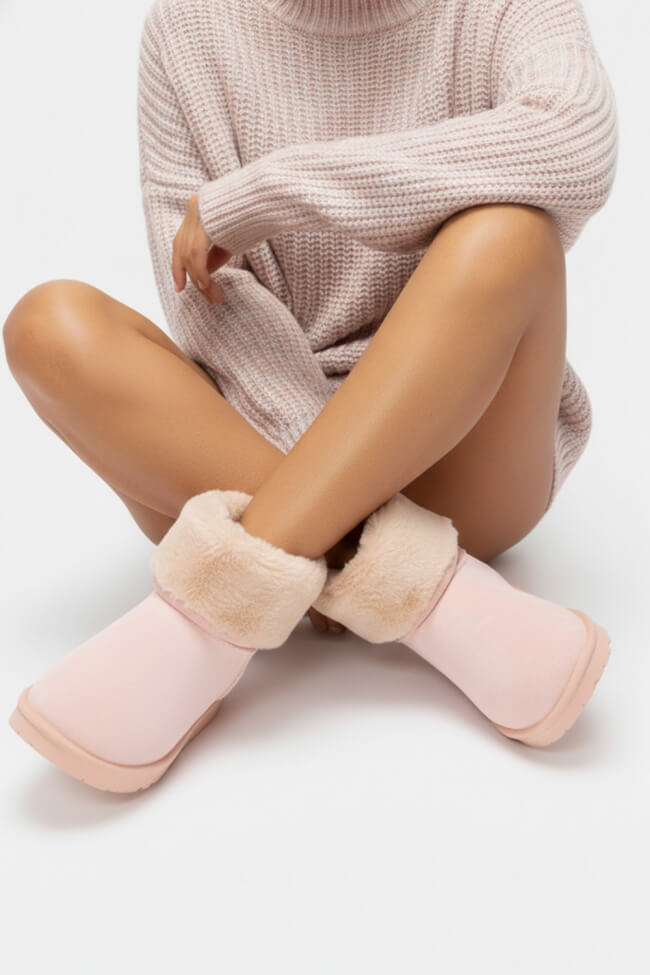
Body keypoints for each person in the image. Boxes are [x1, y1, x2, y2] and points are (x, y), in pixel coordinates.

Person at [4, 0, 619, 792]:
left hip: (461, 456)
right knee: (50, 325)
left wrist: (275, 191)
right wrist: (328, 497)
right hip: (248, 453)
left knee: (511, 235)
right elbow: (209, 304)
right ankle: (425, 586)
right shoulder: (189, 25)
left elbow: (575, 142)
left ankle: (217, 605)